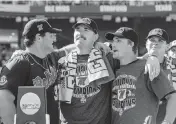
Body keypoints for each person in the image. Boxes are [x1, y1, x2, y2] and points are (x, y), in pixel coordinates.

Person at [58, 18, 161, 124]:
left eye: (86, 30)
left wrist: (151, 58)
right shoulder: (61, 60)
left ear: (96, 37)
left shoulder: (107, 58)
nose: (81, 33)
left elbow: (131, 61)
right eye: (77, 29)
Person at [0, 19, 80, 124]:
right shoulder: (20, 62)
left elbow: (68, 50)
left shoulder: (51, 57)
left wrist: (94, 45)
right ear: (38, 38)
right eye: (51, 35)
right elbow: (4, 98)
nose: (54, 39)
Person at [105, 27, 176, 124]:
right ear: (146, 44)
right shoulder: (113, 66)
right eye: (152, 40)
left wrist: (167, 122)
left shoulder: (150, 67)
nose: (113, 44)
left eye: (118, 41)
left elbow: (172, 97)